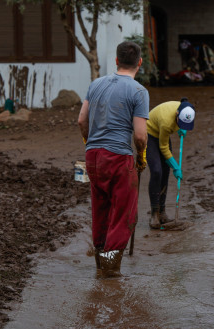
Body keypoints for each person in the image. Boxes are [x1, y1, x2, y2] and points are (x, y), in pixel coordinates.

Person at [78, 41, 149, 278]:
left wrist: (91, 144)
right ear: (139, 62)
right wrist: (141, 155)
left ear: (116, 61)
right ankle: (110, 270)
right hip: (118, 156)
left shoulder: (96, 84)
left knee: (101, 208)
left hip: (93, 156)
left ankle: (100, 260)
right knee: (124, 213)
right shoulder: (138, 91)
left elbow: (81, 121)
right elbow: (140, 135)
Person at [145, 98, 195, 229]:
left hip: (162, 134)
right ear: (177, 115)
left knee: (165, 172)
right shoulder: (167, 122)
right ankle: (154, 214)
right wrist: (176, 166)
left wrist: (181, 127)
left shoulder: (187, 109)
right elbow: (163, 148)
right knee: (157, 171)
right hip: (149, 134)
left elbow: (185, 101)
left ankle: (162, 213)